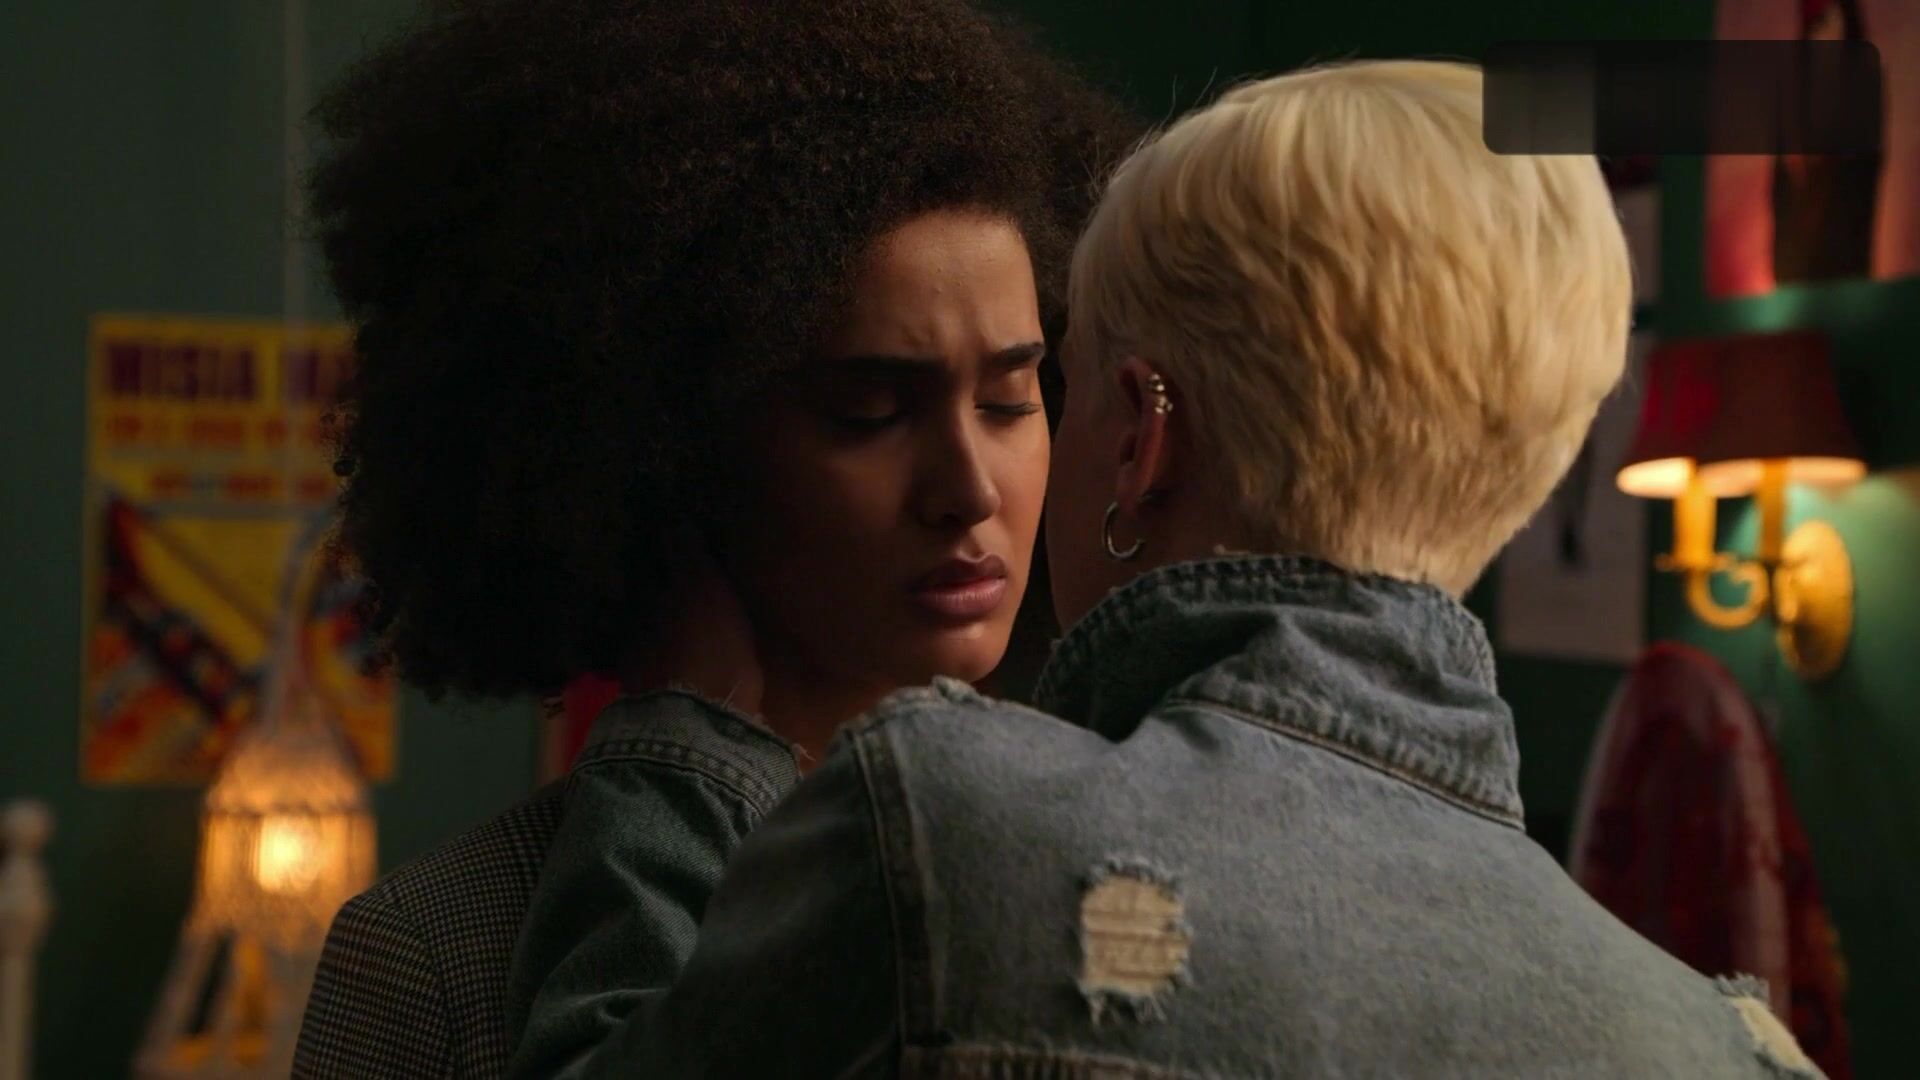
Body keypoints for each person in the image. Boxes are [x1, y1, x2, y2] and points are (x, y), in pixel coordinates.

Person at [510, 60, 1829, 1078]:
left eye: (1042, 392)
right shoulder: (1734, 1052)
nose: (975, 484)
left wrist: (676, 749)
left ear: (1142, 436)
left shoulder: (946, 835)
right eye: (869, 407)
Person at [290, 0, 1137, 1075]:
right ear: (675, 442)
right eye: (870, 412)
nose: (968, 488)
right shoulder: (441, 955)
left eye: (1010, 400)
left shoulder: (1127, 879)